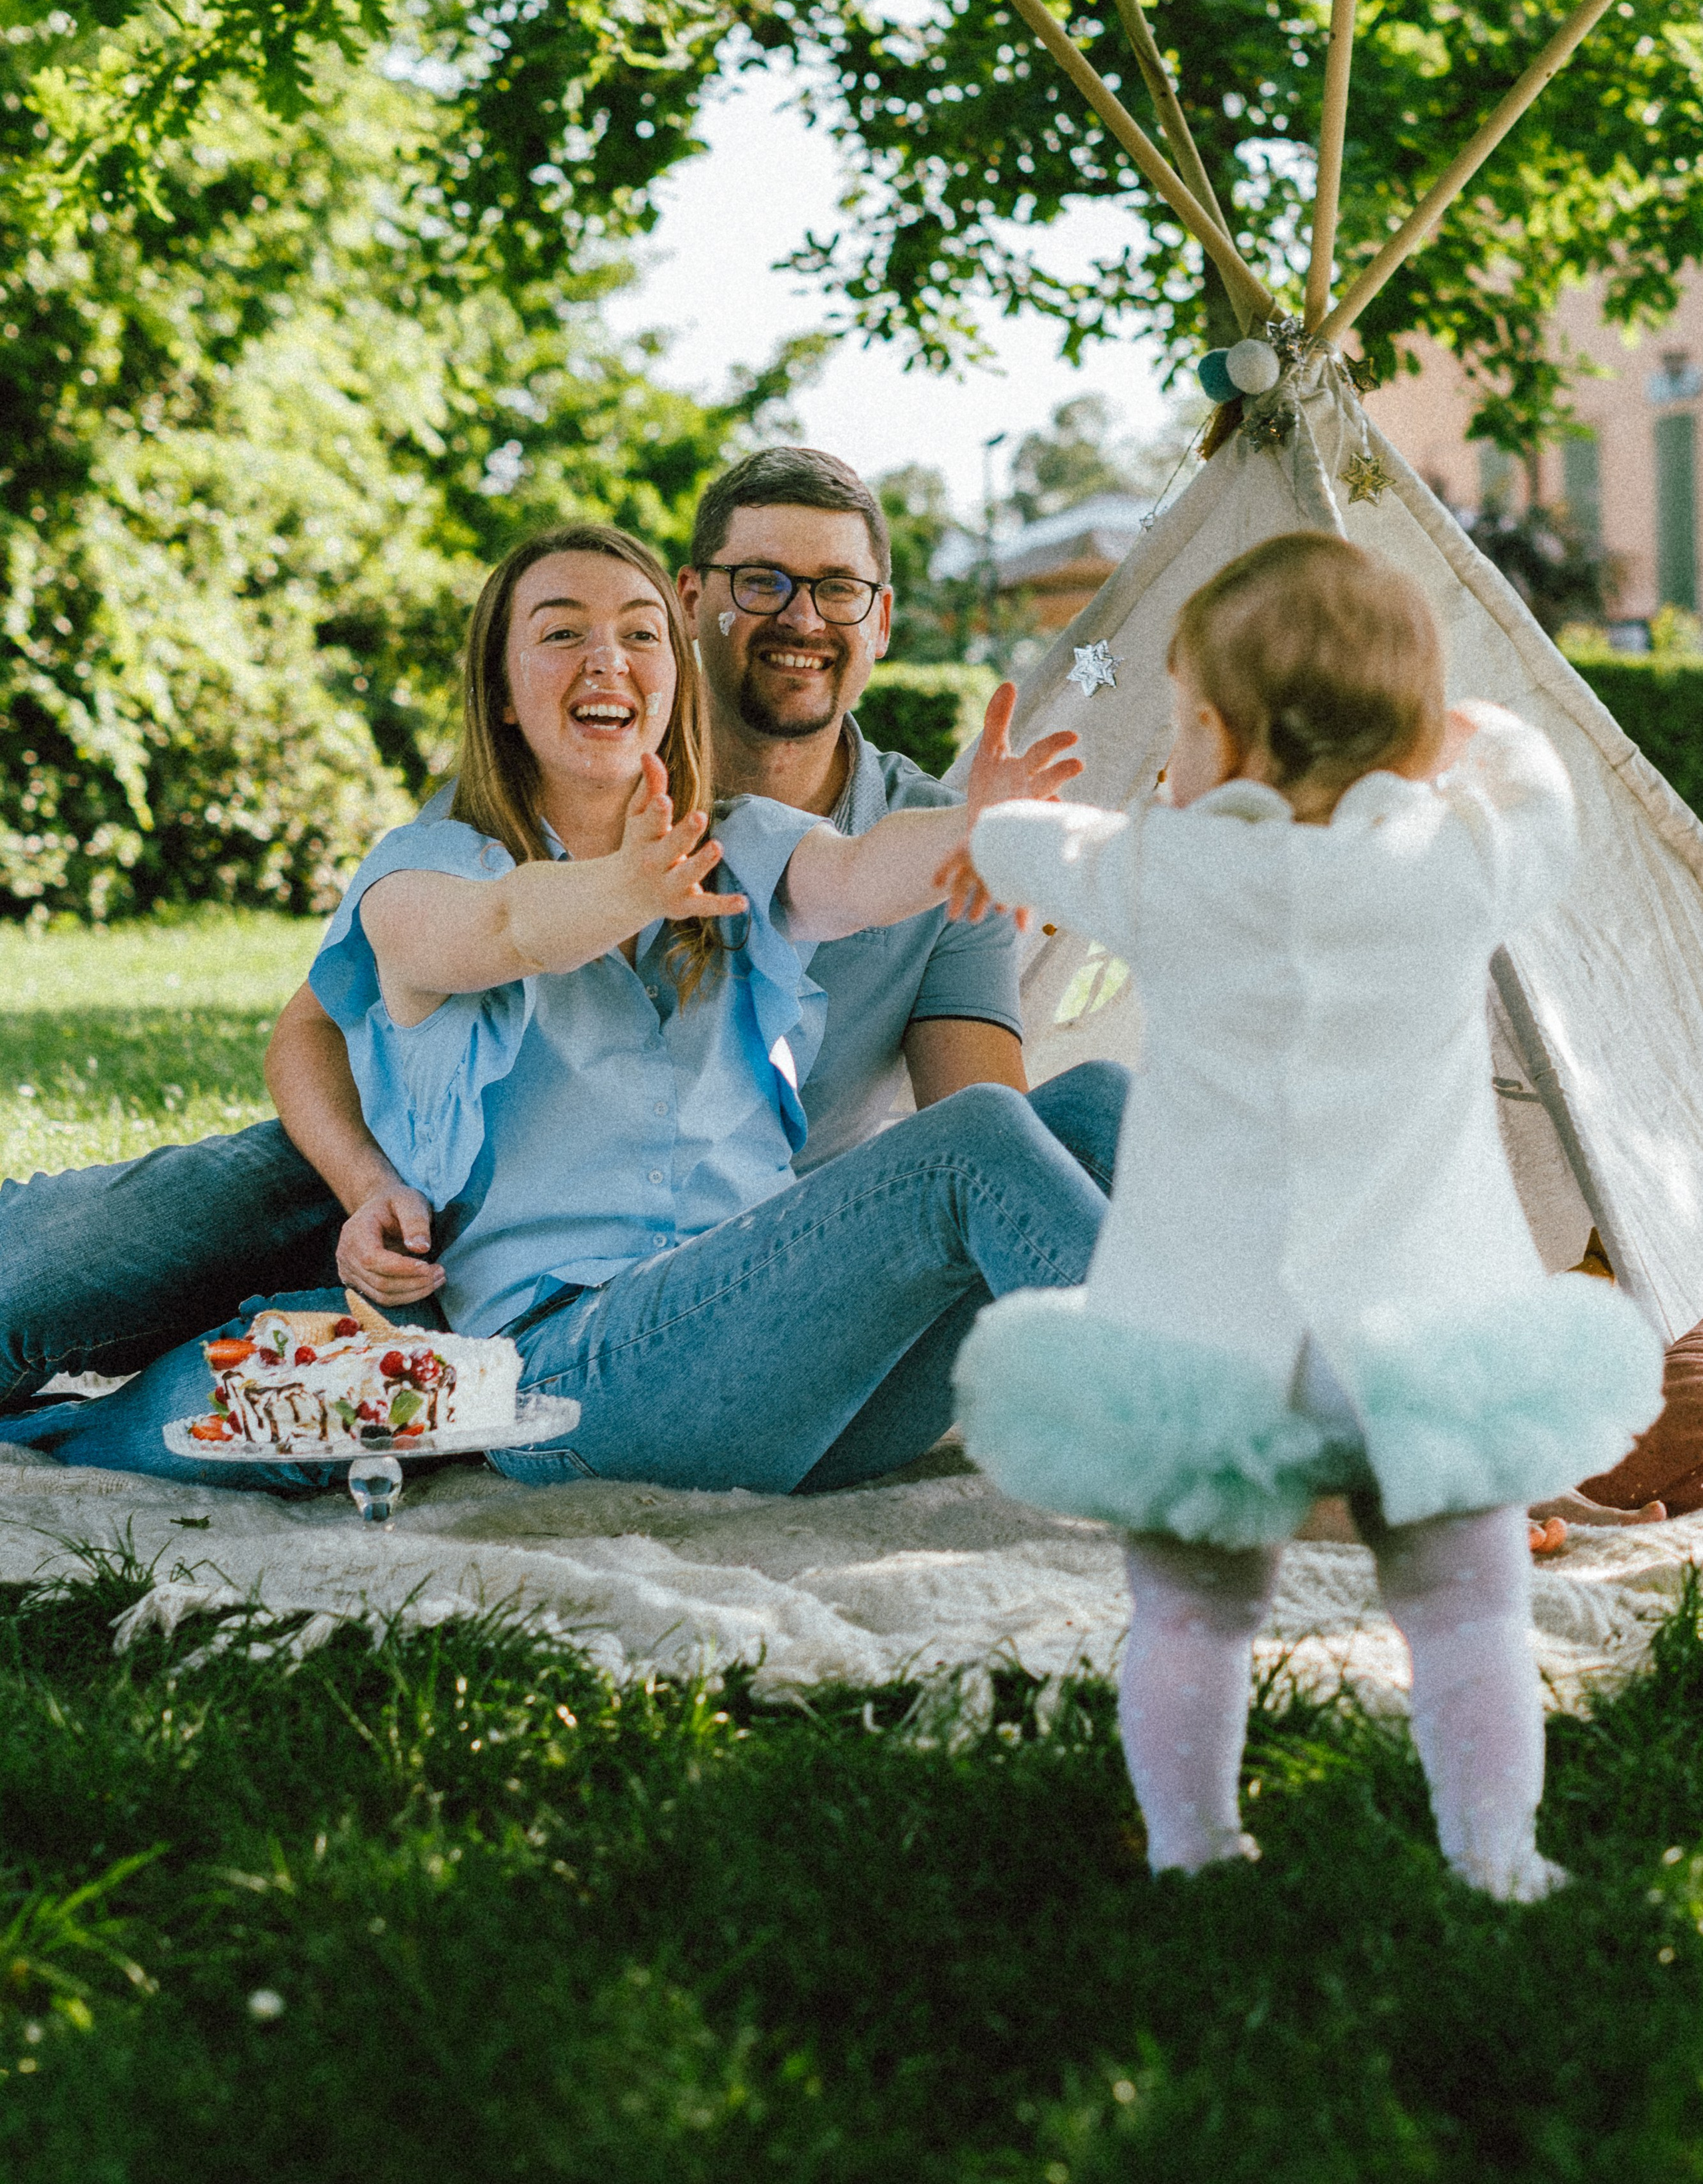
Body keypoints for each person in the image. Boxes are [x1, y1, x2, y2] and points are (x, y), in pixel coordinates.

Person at [0, 449, 1130, 1411]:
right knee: (75, 1263)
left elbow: (976, 1093)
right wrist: (365, 1186)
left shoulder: (878, 834)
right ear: (696, 603)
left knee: (1086, 1114)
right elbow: (335, 1015)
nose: (799, 616)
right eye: (762, 581)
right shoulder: (530, 794)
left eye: (837, 589)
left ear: (880, 621)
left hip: (765, 1242)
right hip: (446, 1164)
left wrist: (982, 840)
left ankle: (1234, 1393)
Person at [947, 533, 1662, 1900]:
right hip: (1418, 1337)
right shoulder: (1452, 867)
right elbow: (1542, 808)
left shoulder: (1165, 872)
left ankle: (1193, 1854)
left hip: (1210, 1339)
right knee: (1465, 1610)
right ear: (1406, 734)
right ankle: (1493, 1856)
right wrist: (1480, 736)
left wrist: (989, 824)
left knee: (1189, 1612)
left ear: (1213, 732)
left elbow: (1045, 846)